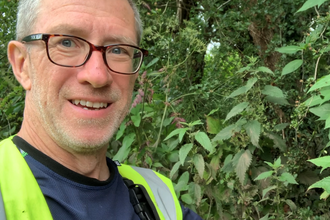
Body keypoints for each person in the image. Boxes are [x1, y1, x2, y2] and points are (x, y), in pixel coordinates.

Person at [0, 0, 203, 219]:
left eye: (118, 50)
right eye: (67, 43)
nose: (97, 76)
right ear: (22, 65)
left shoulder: (159, 197)